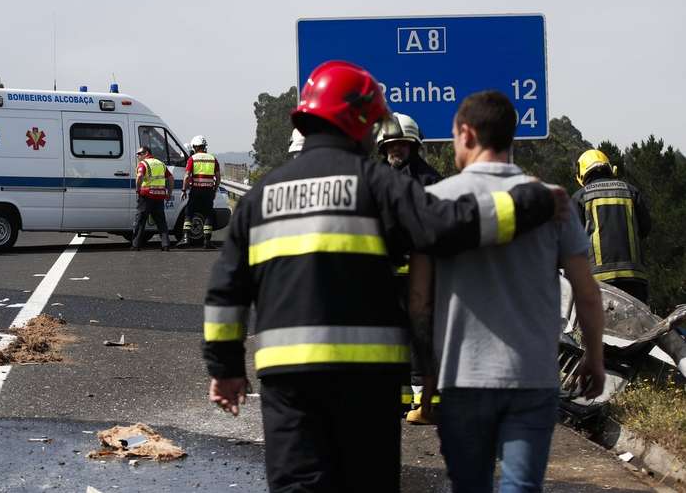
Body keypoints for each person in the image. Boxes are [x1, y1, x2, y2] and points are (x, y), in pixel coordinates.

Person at [202, 61, 572, 492]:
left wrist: (225, 368)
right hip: (365, 378)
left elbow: (225, 290)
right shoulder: (376, 182)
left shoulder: (261, 196)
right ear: (358, 121)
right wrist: (529, 203)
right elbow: (446, 226)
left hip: (288, 378)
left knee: (298, 486)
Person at [408, 90, 606, 493]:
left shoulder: (435, 201)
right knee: (521, 486)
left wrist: (427, 378)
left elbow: (419, 301)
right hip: (531, 376)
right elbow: (587, 293)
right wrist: (594, 357)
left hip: (462, 379)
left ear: (466, 133)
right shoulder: (555, 202)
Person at [376, 112, 443, 423]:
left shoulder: (431, 181)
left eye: (401, 145)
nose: (395, 150)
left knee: (421, 341)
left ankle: (427, 403)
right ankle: (400, 399)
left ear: (414, 146)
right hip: (385, 277)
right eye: (390, 146)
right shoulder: (375, 181)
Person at [572, 149, 651, 303]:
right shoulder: (631, 192)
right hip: (634, 279)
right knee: (639, 325)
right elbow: (645, 228)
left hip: (598, 281)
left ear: (582, 174)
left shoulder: (580, 197)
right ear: (610, 168)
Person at [178, 135, 221, 249]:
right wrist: (215, 190)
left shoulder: (192, 159)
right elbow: (218, 177)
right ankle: (207, 241)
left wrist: (184, 190)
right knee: (208, 214)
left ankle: (186, 238)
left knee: (189, 212)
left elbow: (187, 176)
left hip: (196, 190)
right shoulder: (213, 159)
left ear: (194, 147)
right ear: (204, 146)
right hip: (208, 191)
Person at [132, 146, 172, 251]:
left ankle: (136, 245)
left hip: (146, 196)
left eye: (140, 153)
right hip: (159, 196)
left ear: (146, 153)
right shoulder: (161, 164)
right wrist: (169, 193)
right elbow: (170, 178)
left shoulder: (143, 164)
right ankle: (166, 244)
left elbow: (140, 176)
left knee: (140, 220)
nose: (138, 156)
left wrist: (137, 190)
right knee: (161, 221)